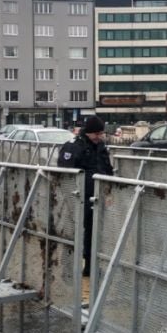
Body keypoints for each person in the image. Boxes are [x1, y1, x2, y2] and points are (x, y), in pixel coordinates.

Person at [57, 115, 113, 276]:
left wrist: (109, 190)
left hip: (96, 197)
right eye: (96, 134)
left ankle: (90, 265)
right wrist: (69, 196)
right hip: (76, 198)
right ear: (88, 132)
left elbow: (107, 169)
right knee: (71, 233)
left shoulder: (100, 146)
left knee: (94, 233)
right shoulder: (73, 146)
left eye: (101, 133)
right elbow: (65, 173)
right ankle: (66, 268)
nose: (99, 137)